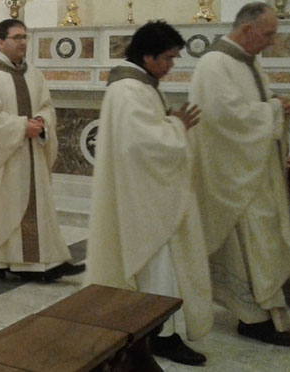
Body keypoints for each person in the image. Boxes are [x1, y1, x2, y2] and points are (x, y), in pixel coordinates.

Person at [86, 21, 211, 366]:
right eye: (168, 58)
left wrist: (168, 123)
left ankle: (159, 330)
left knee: (162, 268)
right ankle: (159, 335)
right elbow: (142, 144)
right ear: (148, 55)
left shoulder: (140, 85)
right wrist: (176, 127)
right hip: (142, 199)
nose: (172, 65)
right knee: (157, 267)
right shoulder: (128, 90)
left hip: (147, 191)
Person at [190, 2, 290, 346]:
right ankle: (253, 318)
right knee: (255, 244)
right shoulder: (214, 64)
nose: (271, 42)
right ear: (247, 30)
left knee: (267, 241)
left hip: (256, 172)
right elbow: (224, 117)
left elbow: (250, 111)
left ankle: (271, 310)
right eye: (267, 34)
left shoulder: (247, 63)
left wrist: (275, 107)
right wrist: (274, 110)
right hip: (235, 179)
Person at [0, 19, 82, 281]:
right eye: (16, 37)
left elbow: (47, 106)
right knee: (4, 208)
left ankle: (42, 263)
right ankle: (1, 262)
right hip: (3, 158)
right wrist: (20, 127)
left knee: (36, 207)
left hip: (31, 155)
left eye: (24, 37)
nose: (22, 42)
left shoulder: (33, 74)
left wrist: (41, 123)